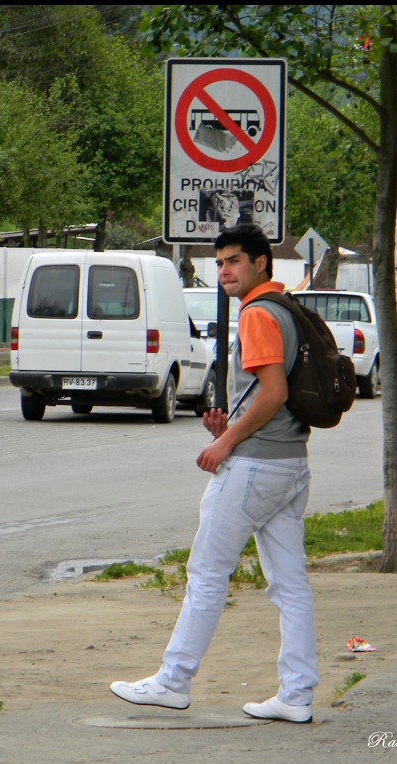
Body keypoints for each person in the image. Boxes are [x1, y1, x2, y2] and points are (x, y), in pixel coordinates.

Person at [109, 223, 317, 723]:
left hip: (254, 468)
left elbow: (273, 394)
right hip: (290, 463)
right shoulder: (287, 308)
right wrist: (231, 425)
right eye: (219, 262)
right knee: (290, 585)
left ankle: (172, 682)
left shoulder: (258, 314)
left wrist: (226, 441)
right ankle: (297, 694)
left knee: (206, 574)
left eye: (234, 261)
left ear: (261, 262)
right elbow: (269, 394)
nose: (223, 270)